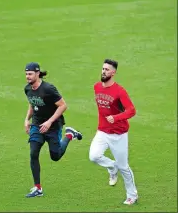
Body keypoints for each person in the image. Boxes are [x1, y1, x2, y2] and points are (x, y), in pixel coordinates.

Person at [24, 62, 83, 198]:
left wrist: (50, 122)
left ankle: (69, 135)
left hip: (53, 126)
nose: (28, 76)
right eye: (26, 74)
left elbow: (63, 106)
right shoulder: (27, 89)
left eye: (30, 74)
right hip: (37, 125)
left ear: (38, 74)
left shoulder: (48, 89)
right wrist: (27, 119)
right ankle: (37, 188)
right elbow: (32, 104)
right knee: (33, 153)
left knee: (55, 156)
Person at [89, 59, 138, 205]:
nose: (103, 71)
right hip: (103, 131)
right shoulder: (97, 87)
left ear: (113, 72)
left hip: (119, 134)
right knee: (94, 156)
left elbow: (132, 110)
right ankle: (112, 166)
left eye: (107, 69)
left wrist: (116, 117)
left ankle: (132, 195)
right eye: (103, 68)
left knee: (124, 167)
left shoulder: (119, 91)